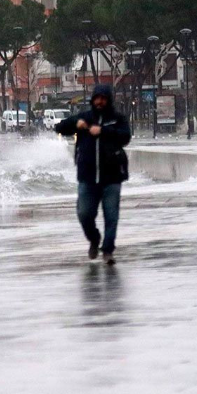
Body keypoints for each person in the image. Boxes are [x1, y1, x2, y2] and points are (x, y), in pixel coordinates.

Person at [55, 85, 132, 265]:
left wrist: (104, 131)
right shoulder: (84, 118)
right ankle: (94, 238)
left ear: (109, 100)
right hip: (87, 177)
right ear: (92, 100)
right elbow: (59, 128)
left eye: (103, 98)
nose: (100, 102)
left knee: (111, 216)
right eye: (97, 98)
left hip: (112, 177)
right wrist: (75, 124)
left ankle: (108, 251)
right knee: (84, 214)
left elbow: (125, 137)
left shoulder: (117, 119)